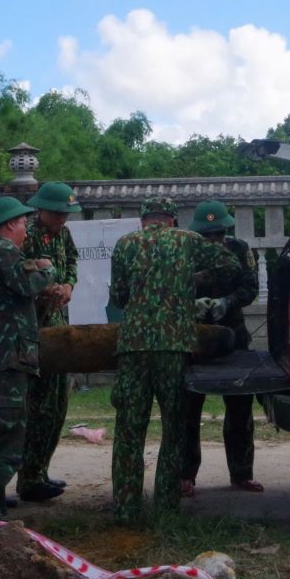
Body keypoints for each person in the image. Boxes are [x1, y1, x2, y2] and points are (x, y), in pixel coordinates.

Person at [107, 196, 241, 525]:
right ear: (171, 220)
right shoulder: (187, 241)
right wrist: (190, 280)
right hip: (173, 345)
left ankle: (126, 510)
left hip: (134, 347)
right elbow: (231, 267)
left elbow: (120, 296)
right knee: (173, 430)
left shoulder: (125, 245)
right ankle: (166, 508)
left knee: (128, 432)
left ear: (143, 220)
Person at [0, 196, 58, 521]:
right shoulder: (1, 250)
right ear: (8, 226)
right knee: (3, 438)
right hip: (4, 359)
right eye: (21, 223)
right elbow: (25, 282)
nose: (25, 229)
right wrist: (48, 270)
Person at [180, 200, 263, 497]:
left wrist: (227, 301)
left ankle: (242, 473)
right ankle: (185, 475)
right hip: (196, 337)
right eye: (208, 236)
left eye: (218, 234)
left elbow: (250, 287)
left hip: (234, 334)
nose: (214, 240)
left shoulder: (240, 249)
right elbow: (175, 287)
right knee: (188, 408)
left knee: (240, 406)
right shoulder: (186, 251)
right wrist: (193, 304)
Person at [16, 181, 81, 503]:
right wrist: (42, 292)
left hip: (57, 326)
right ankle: (27, 478)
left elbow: (71, 262)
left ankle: (40, 471)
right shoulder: (23, 235)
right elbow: (17, 277)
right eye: (57, 214)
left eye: (66, 214)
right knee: (36, 407)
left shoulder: (64, 235)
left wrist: (67, 285)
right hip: (31, 328)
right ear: (41, 209)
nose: (62, 220)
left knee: (57, 404)